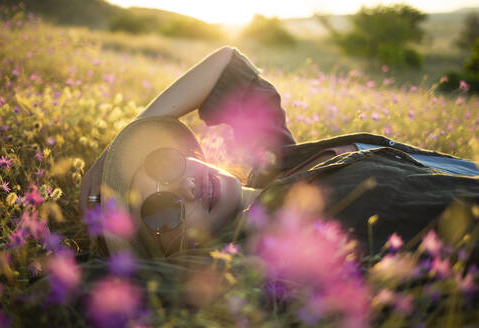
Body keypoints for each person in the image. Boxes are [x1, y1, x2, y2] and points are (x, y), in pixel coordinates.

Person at [80, 46, 479, 261]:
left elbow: (228, 66)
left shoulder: (275, 164)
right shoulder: (274, 254)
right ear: (169, 254)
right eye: (162, 211)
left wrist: (119, 144)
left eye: (163, 165)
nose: (185, 185)